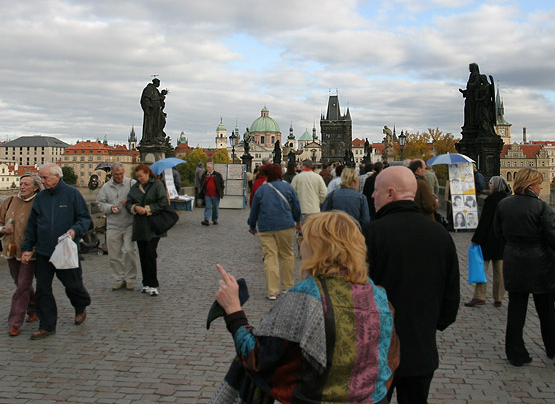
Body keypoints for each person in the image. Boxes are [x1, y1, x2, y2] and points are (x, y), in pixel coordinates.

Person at [213, 211, 400, 403]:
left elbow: (257, 358)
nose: (300, 244)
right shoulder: (379, 296)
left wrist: (233, 310)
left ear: (317, 248)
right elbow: (390, 359)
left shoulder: (306, 297)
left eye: (303, 238)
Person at [364, 166, 460, 403]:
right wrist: (431, 325)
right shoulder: (440, 234)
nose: (372, 196)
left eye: (377, 191)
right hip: (421, 349)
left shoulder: (369, 234)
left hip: (377, 351)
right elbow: (451, 298)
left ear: (391, 193)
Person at [494, 167, 555, 367]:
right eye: (538, 184)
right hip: (540, 263)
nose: (540, 188)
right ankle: (552, 345)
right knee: (546, 308)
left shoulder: (503, 205)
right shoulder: (541, 208)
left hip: (514, 260)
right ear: (530, 186)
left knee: (516, 309)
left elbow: (498, 233)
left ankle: (515, 352)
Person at [21, 164, 92, 340]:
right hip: (44, 251)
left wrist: (75, 230)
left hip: (66, 250)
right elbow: (32, 225)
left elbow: (85, 219)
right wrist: (27, 248)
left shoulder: (72, 194)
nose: (42, 181)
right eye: (41, 178)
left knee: (73, 286)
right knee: (43, 289)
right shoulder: (41, 197)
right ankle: (47, 325)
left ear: (56, 177)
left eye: (45, 178)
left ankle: (80, 305)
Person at [0, 173, 42, 336]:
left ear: (35, 187)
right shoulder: (9, 202)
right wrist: (2, 230)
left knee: (22, 285)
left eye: (27, 184)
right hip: (10, 249)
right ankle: (33, 309)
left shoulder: (39, 203)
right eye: (21, 184)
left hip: (29, 251)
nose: (23, 187)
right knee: (20, 283)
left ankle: (14, 322)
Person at [247, 163, 302, 300]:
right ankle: (288, 287)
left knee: (270, 257)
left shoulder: (261, 190)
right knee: (287, 255)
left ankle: (272, 291)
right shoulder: (288, 188)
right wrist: (298, 223)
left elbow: (254, 210)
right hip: (285, 225)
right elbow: (296, 208)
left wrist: (252, 226)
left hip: (266, 227)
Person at [465, 176, 510, 308]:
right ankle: (498, 298)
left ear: (495, 185)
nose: (489, 186)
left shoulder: (490, 200)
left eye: (490, 184)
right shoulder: (507, 200)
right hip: (501, 240)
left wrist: (476, 239)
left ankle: (480, 296)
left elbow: (485, 222)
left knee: (482, 269)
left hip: (488, 239)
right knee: (499, 271)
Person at [126, 164, 170, 296]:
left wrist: (147, 209)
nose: (139, 179)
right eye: (137, 176)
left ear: (148, 173)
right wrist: (134, 207)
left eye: (142, 176)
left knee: (150, 254)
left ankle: (153, 283)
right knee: (143, 254)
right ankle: (146, 283)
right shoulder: (134, 187)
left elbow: (163, 202)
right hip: (140, 226)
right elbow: (128, 203)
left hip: (153, 225)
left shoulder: (157, 185)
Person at [96, 163, 138, 291]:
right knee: (114, 255)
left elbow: (140, 198)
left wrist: (129, 201)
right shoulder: (106, 187)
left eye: (121, 174)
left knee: (129, 251)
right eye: (116, 174)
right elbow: (100, 203)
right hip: (113, 225)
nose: (119, 177)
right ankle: (119, 278)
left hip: (129, 223)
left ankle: (130, 279)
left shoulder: (132, 183)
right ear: (112, 174)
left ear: (124, 172)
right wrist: (110, 208)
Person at [290, 159, 327, 223]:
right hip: (314, 209)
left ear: (304, 166)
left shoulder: (297, 177)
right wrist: (318, 202)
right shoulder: (318, 177)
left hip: (301, 209)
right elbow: (324, 193)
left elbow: (292, 193)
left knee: (302, 230)